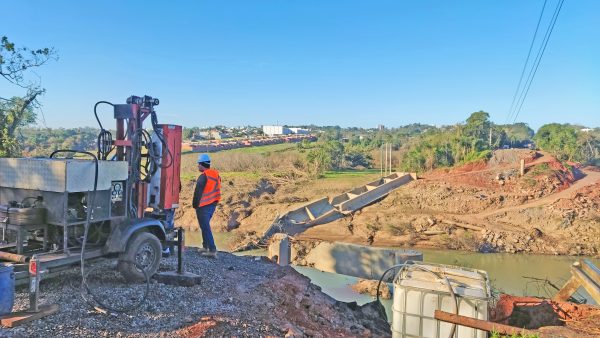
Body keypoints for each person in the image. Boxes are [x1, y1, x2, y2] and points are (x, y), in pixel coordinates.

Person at [192, 153, 221, 258]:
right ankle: (205, 246)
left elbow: (197, 193)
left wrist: (195, 205)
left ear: (201, 164)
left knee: (205, 227)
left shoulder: (203, 177)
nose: (197, 166)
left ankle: (212, 250)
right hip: (213, 204)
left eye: (198, 164)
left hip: (203, 205)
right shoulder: (216, 174)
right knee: (205, 226)